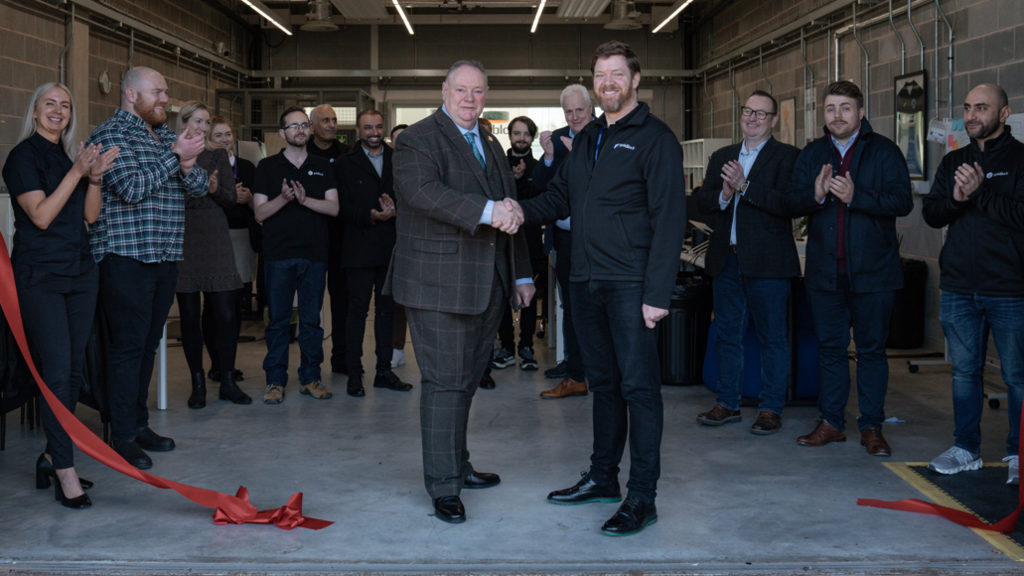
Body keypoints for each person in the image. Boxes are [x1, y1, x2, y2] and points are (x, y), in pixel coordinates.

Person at [515, 41, 687, 536]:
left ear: (635, 80)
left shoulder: (656, 139)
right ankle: (603, 477)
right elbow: (559, 196)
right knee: (605, 385)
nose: (608, 82)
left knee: (639, 388)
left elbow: (669, 219)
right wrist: (517, 211)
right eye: (600, 75)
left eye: (617, 74)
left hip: (631, 284)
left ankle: (642, 496)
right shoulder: (588, 138)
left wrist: (657, 294)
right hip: (586, 281)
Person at [388, 60, 534, 524]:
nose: (469, 99)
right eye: (461, 90)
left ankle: (458, 463)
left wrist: (522, 274)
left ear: (486, 95)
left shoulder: (488, 140)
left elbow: (511, 209)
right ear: (444, 90)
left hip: (486, 282)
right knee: (445, 383)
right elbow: (423, 193)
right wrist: (489, 210)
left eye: (478, 92)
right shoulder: (417, 138)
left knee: (467, 381)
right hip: (437, 284)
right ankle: (444, 485)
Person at [3, 82, 118, 508]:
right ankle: (65, 471)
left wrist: (94, 177)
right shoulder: (22, 158)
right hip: (41, 277)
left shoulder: (68, 158)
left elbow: (90, 215)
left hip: (80, 273)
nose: (58, 111)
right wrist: (76, 172)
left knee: (71, 373)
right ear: (34, 111)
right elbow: (42, 216)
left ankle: (53, 455)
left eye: (65, 106)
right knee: (54, 374)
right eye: (49, 104)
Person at [88, 67, 208, 470]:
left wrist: (188, 164)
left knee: (146, 346)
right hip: (125, 258)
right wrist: (175, 157)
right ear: (129, 95)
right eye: (157, 92)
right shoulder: (110, 135)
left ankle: (137, 424)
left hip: (164, 257)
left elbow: (200, 188)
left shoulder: (164, 137)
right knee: (125, 349)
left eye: (166, 92)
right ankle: (120, 435)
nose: (164, 99)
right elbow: (133, 189)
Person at [783, 81, 912, 456]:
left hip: (874, 273)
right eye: (830, 109)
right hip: (825, 273)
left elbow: (902, 201)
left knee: (872, 351)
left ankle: (872, 426)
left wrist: (858, 197)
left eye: (845, 108)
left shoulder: (884, 151)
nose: (837, 115)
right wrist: (816, 195)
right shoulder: (812, 153)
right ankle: (832, 423)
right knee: (831, 350)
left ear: (860, 112)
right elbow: (791, 201)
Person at [922, 83, 1023, 486]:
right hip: (960, 287)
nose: (972, 116)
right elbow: (932, 214)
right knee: (965, 373)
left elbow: (1020, 216)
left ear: (1004, 113)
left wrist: (978, 194)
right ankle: (966, 448)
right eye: (967, 108)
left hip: (1011, 287)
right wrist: (959, 199)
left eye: (982, 108)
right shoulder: (954, 162)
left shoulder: (1020, 160)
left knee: (1017, 375)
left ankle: (1018, 451)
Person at [694, 91, 801, 435]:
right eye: (748, 111)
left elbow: (788, 204)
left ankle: (771, 408)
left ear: (773, 120)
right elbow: (702, 202)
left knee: (772, 338)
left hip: (769, 264)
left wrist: (744, 186)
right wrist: (725, 194)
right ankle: (727, 403)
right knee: (728, 335)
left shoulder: (788, 158)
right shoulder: (723, 156)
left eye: (761, 114)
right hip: (727, 259)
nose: (752, 118)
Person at [254, 107, 340, 404]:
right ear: (282, 133)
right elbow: (259, 212)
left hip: (315, 253)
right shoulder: (266, 167)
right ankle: (275, 382)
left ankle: (311, 378)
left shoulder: (323, 165)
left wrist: (305, 200)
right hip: (278, 255)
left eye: (304, 125)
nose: (300, 130)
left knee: (311, 321)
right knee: (277, 321)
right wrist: (284, 198)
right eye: (294, 126)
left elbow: (333, 208)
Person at [173, 102, 250, 409]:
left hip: (216, 239)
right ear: (184, 123)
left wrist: (214, 190)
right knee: (190, 316)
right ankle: (197, 383)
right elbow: (172, 200)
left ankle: (227, 380)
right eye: (198, 121)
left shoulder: (217, 154)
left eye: (206, 122)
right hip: (185, 240)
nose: (203, 128)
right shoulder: (172, 153)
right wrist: (204, 188)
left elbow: (230, 199)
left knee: (226, 313)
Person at [335, 109, 410, 397]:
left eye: (378, 127)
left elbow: (411, 198)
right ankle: (354, 373)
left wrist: (395, 212)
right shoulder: (344, 163)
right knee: (356, 311)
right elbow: (339, 205)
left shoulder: (398, 159)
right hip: (359, 246)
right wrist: (370, 215)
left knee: (387, 312)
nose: (374, 132)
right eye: (368, 128)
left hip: (392, 246)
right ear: (358, 131)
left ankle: (383, 371)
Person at [532, 84, 595, 399]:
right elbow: (539, 186)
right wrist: (548, 157)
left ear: (591, 107)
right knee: (571, 307)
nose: (574, 117)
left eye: (579, 110)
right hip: (565, 240)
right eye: (568, 112)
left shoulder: (605, 135)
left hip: (597, 241)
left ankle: (592, 369)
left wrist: (575, 155)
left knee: (596, 308)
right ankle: (575, 369)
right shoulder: (556, 138)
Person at [206, 116, 259, 383]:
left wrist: (248, 200)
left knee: (235, 303)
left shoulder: (248, 167)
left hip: (241, 239)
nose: (225, 140)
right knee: (216, 306)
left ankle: (229, 362)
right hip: (213, 239)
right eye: (218, 135)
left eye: (228, 134)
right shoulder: (204, 164)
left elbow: (260, 207)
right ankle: (216, 364)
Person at [492, 116, 545, 372]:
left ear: (532, 138)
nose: (521, 138)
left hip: (531, 242)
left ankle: (526, 348)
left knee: (528, 296)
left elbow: (536, 203)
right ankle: (505, 347)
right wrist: (511, 180)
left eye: (526, 134)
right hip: (501, 242)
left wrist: (522, 181)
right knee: (502, 296)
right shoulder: (497, 165)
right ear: (509, 135)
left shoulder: (539, 168)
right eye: (516, 133)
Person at [307, 104, 351, 376]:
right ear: (312, 125)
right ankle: (310, 364)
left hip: (341, 238)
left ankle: (341, 357)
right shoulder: (301, 154)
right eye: (325, 120)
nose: (332, 124)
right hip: (310, 237)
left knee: (342, 301)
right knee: (311, 303)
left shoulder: (348, 155)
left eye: (334, 120)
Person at [389, 124, 409, 369]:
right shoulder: (386, 167)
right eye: (397, 140)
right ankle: (395, 348)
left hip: (417, 241)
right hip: (389, 239)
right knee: (395, 301)